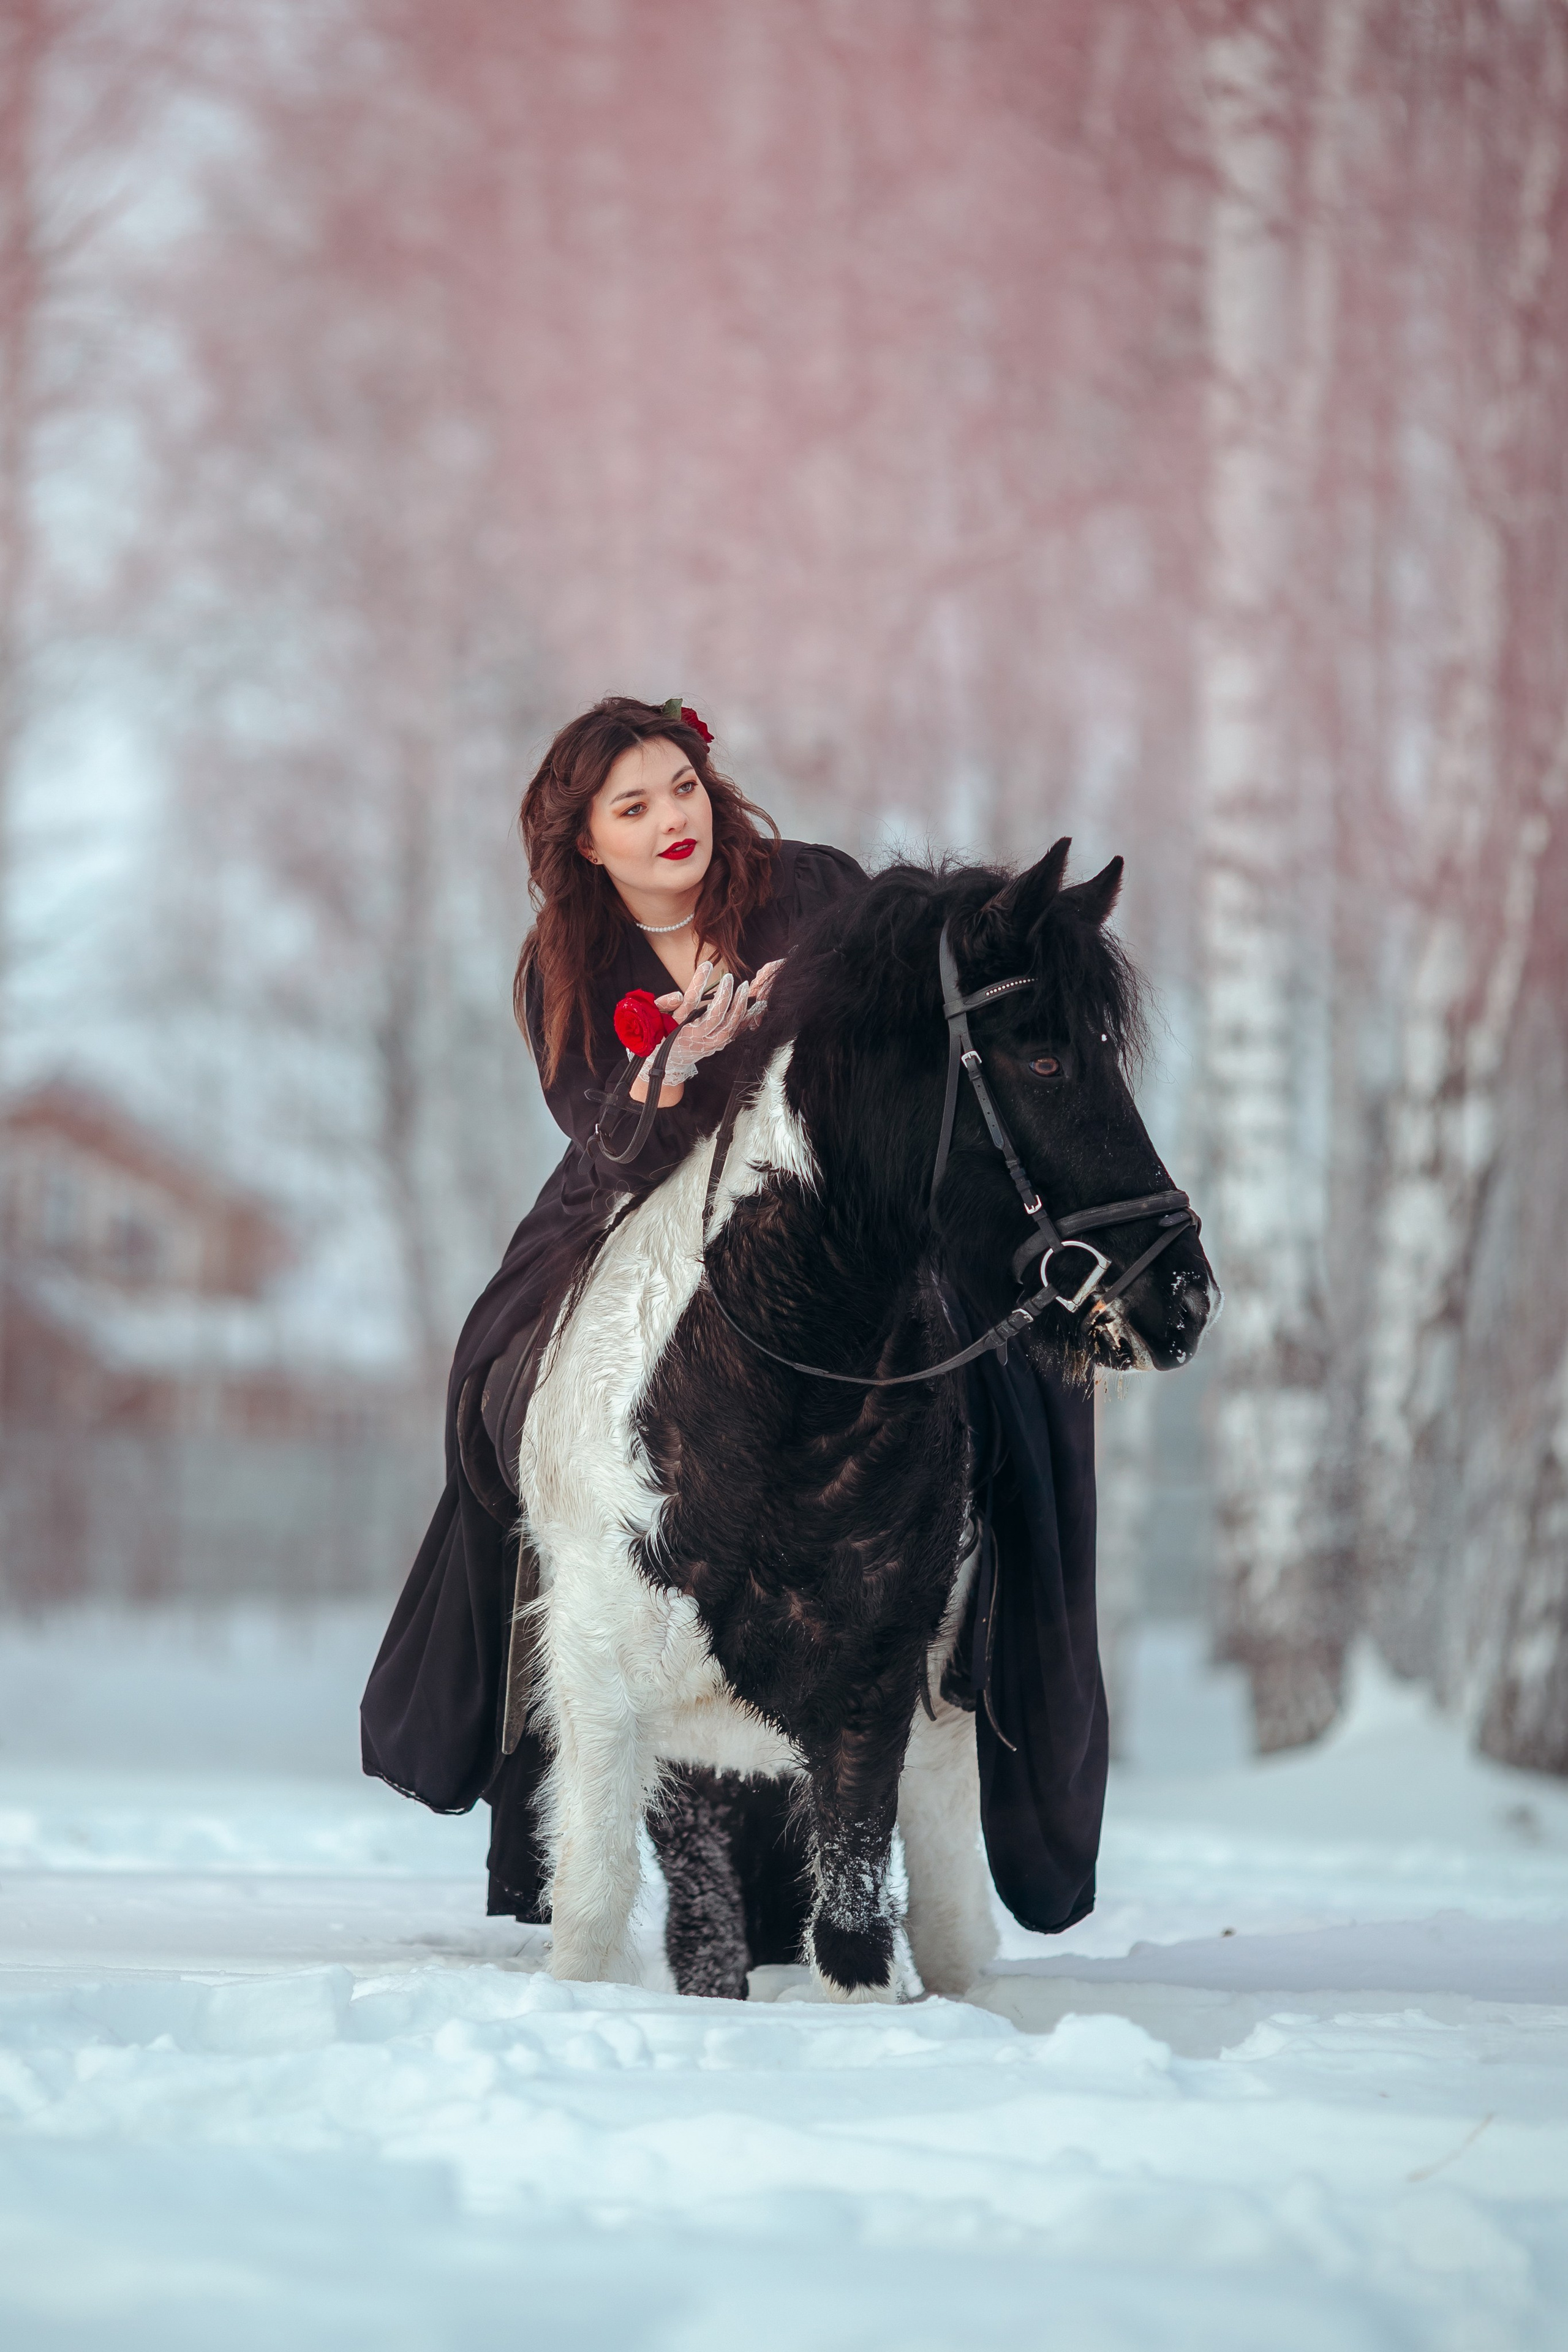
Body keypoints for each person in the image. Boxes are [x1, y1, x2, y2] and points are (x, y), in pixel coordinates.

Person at [361, 694, 1106, 1944]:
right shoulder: (564, 966)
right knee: (497, 1371)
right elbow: (598, 1139)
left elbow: (914, 1034)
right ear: (584, 840)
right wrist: (675, 1079)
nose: (671, 822)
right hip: (641, 1196)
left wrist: (793, 1055)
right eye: (633, 807)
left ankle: (989, 1653)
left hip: (842, 1216)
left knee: (1027, 1384)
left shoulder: (815, 890)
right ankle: (519, 1676)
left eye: (682, 789)